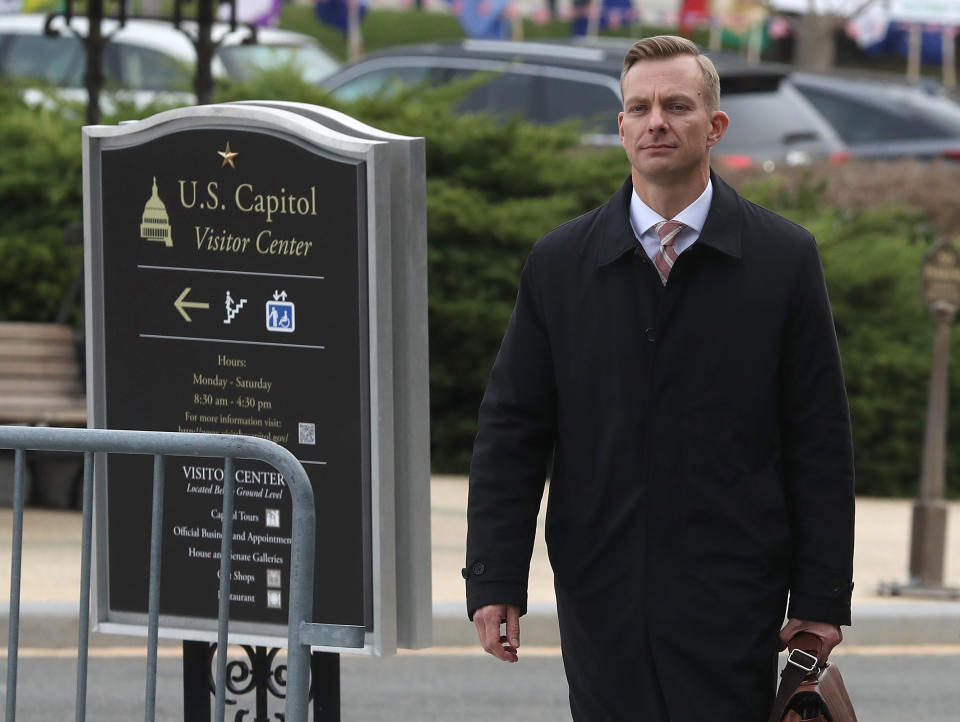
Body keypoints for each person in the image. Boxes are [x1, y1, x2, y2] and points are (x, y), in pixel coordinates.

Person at [463, 35, 855, 721]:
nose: (656, 122)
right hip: (601, 589)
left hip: (735, 592)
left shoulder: (784, 258)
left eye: (677, 106)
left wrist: (822, 597)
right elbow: (512, 429)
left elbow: (819, 436)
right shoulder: (559, 264)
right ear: (620, 128)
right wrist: (495, 578)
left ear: (715, 125)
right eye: (638, 108)